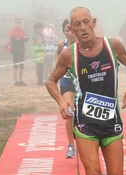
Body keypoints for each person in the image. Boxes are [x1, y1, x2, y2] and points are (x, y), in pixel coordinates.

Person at [45, 6, 126, 175]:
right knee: (92, 173)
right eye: (77, 24)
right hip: (85, 123)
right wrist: (61, 101)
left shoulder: (112, 46)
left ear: (93, 22)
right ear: (71, 29)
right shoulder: (69, 55)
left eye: (86, 22)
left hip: (111, 122)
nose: (83, 28)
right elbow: (51, 81)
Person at [54, 19, 77, 158]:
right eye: (66, 31)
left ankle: (85, 141)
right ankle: (70, 145)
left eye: (71, 30)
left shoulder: (83, 44)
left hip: (82, 82)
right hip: (67, 81)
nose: (69, 33)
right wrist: (58, 65)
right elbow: (57, 52)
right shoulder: (62, 45)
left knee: (83, 112)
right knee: (69, 111)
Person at [9, 18, 29, 86]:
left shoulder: (22, 31)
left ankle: (20, 80)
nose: (18, 23)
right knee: (15, 65)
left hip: (21, 50)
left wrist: (19, 39)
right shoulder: (12, 31)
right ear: (14, 23)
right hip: (15, 50)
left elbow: (27, 39)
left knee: (21, 65)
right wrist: (22, 39)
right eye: (17, 22)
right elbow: (14, 40)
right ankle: (15, 80)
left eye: (19, 22)